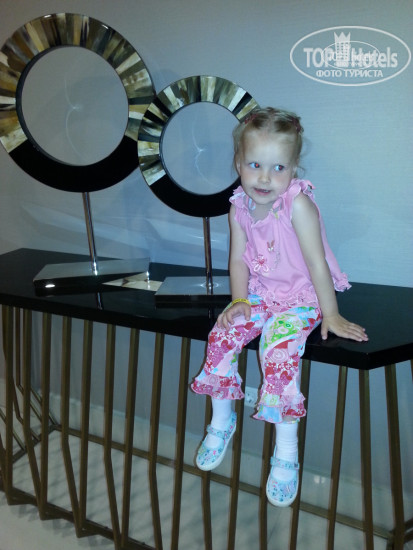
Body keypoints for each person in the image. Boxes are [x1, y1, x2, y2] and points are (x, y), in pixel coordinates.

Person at [191, 107, 368, 507]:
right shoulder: (238, 206)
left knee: (277, 351)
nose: (265, 178)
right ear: (239, 163)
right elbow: (238, 260)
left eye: (278, 168)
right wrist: (239, 301)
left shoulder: (296, 205)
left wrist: (331, 313)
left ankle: (286, 450)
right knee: (222, 336)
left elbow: (317, 263)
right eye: (255, 165)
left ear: (293, 168)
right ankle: (221, 421)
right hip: (259, 294)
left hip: (302, 298)